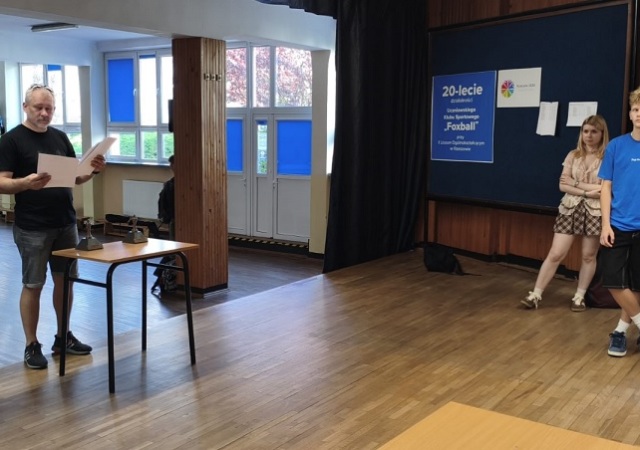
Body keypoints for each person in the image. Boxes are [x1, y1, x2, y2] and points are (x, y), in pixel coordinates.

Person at [0, 83, 106, 369]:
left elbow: (75, 177)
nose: (44, 113)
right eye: (39, 107)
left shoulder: (59, 138)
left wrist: (92, 171)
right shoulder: (11, 140)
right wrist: (25, 183)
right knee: (33, 284)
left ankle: (63, 337)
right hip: (32, 226)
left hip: (65, 223)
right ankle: (31, 344)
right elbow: (1, 181)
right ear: (25, 107)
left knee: (66, 281)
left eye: (49, 108)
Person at [521, 115, 609, 311]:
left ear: (602, 134)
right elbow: (562, 185)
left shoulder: (608, 157)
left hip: (596, 212)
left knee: (588, 256)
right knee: (556, 253)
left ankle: (579, 296)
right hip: (569, 208)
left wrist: (575, 183)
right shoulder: (573, 155)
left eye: (594, 131)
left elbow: (604, 188)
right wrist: (586, 191)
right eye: (585, 131)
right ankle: (536, 294)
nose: (589, 135)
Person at [600, 87, 640, 357]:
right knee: (613, 281)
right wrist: (605, 224)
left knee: (637, 285)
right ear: (630, 113)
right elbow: (605, 187)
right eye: (636, 109)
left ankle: (620, 332)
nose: (639, 114)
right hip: (618, 226)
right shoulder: (616, 146)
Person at [158, 154, 175, 240]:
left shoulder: (171, 184)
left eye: (172, 164)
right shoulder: (170, 183)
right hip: (171, 217)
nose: (170, 166)